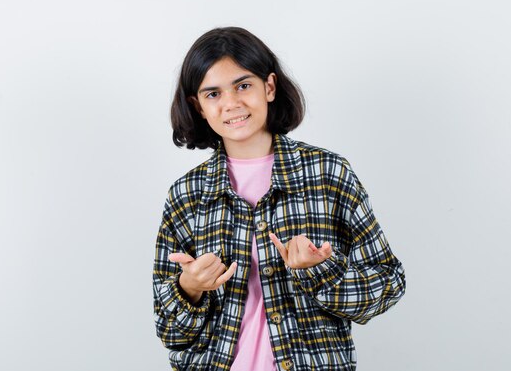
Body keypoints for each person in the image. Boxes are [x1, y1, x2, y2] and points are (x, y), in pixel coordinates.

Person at [153, 27, 406, 371]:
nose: (231, 104)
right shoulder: (186, 195)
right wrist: (189, 287)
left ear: (269, 87)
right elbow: (170, 332)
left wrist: (321, 273)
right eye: (213, 94)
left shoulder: (327, 174)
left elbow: (389, 282)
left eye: (243, 86)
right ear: (198, 106)